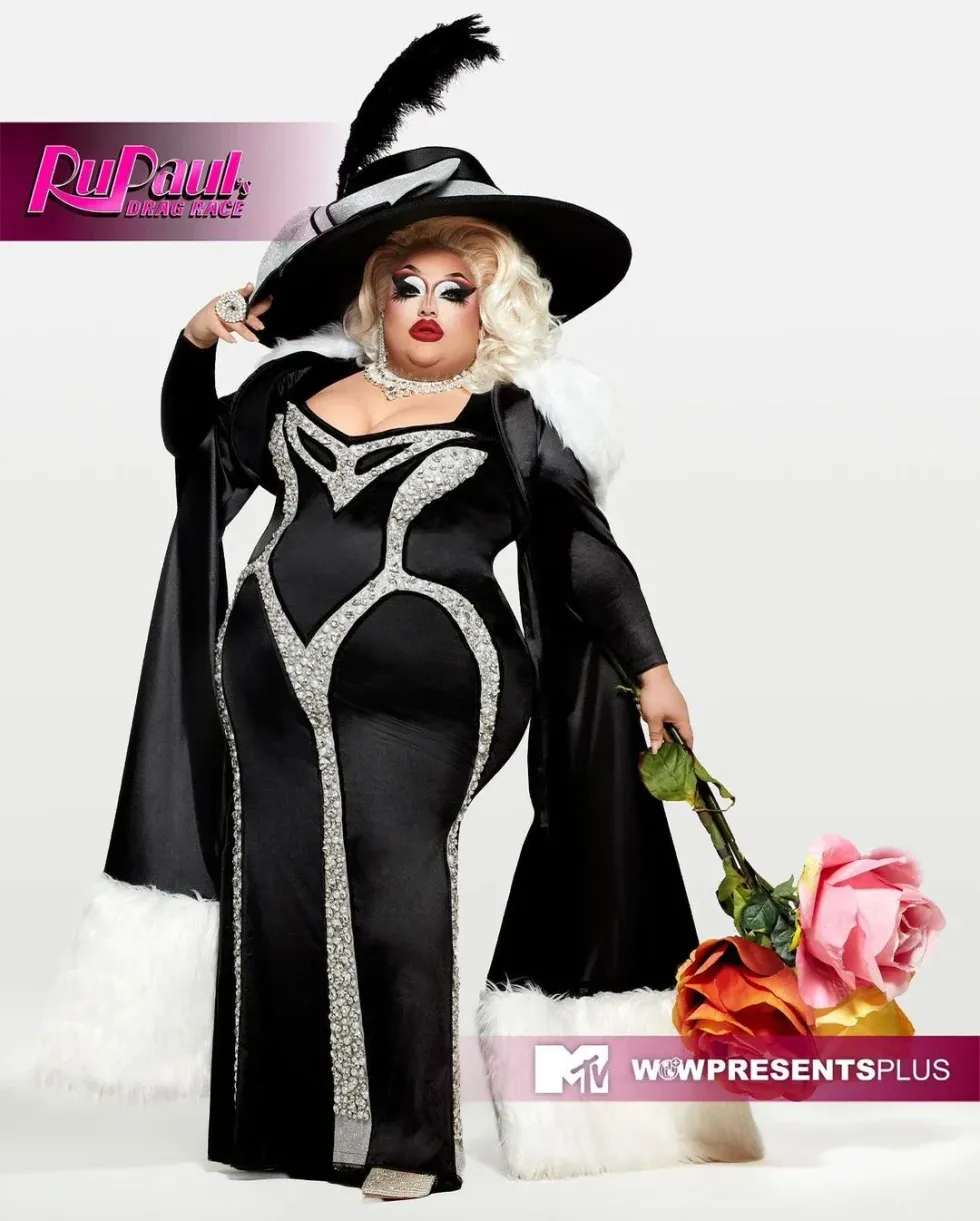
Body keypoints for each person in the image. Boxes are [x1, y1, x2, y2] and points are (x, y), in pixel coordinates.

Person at [33, 14, 761, 1201]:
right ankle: (283, 1129)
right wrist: (192, 342)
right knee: (278, 884)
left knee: (394, 880)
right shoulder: (287, 392)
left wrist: (651, 668)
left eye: (456, 289)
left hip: (431, 694)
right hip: (265, 688)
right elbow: (189, 452)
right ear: (373, 297)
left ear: (494, 307)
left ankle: (408, 1140)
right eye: (406, 284)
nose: (428, 305)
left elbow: (583, 558)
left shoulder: (509, 421)